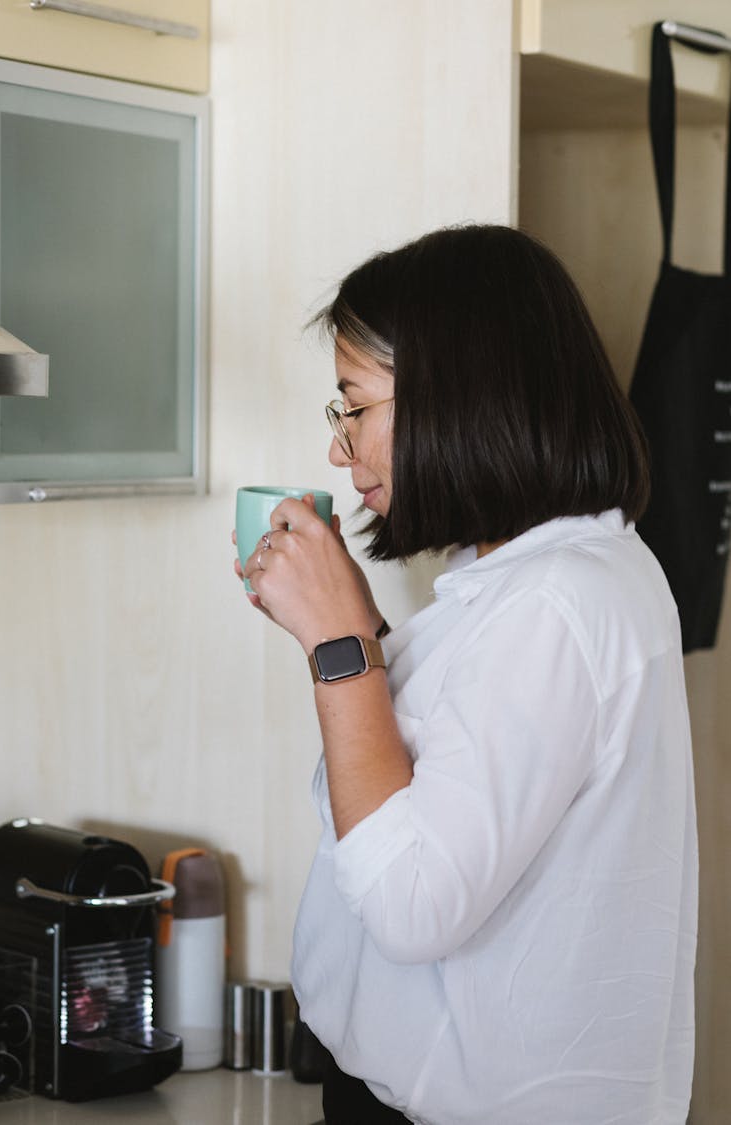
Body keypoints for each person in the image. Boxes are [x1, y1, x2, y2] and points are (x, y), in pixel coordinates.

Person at [237, 225, 698, 1124]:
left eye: (355, 407)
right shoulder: (549, 580)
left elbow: (414, 899)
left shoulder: (553, 606)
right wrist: (357, 622)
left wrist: (339, 646)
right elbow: (444, 778)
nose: (340, 449)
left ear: (457, 395)